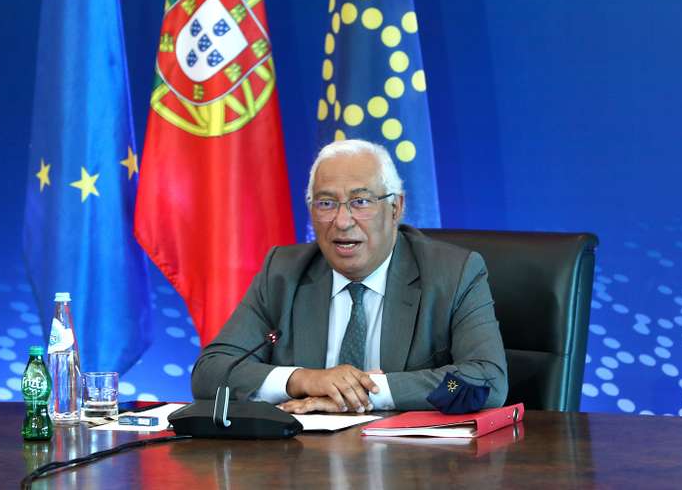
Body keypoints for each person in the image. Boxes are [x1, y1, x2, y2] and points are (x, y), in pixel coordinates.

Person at [191, 139, 507, 413]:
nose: (342, 221)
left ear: (396, 208)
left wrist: (368, 393)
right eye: (326, 204)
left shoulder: (453, 274)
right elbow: (210, 373)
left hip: (410, 469)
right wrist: (305, 380)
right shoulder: (283, 273)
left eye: (360, 202)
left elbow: (485, 381)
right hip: (301, 464)